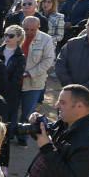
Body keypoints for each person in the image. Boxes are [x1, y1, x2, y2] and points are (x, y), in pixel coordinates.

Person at [54, 13, 89, 123]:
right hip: (68, 98)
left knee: (86, 131)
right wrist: (71, 87)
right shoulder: (73, 43)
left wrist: (82, 90)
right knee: (62, 129)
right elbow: (60, 64)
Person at [16, 16, 56, 147]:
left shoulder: (46, 39)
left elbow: (48, 60)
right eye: (25, 29)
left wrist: (30, 73)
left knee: (28, 111)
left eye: (32, 30)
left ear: (38, 27)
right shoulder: (15, 35)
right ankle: (10, 133)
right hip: (15, 80)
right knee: (13, 109)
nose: (28, 32)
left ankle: (23, 136)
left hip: (34, 82)